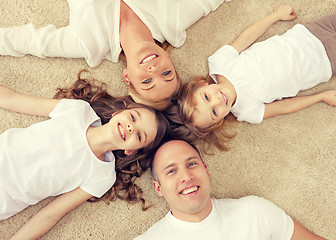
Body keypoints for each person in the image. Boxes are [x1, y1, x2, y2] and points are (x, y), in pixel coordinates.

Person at [0, 72, 171, 239]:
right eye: (133, 118)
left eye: (139, 136)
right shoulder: (78, 111)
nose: (131, 128)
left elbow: (51, 214)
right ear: (118, 113)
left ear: (131, 151)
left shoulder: (103, 176)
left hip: (6, 197)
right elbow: (13, 100)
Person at [0, 0, 230, 109]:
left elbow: (28, 42)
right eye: (167, 73)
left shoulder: (89, 44)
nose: (155, 70)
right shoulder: (174, 22)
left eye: (147, 81)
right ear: (169, 59)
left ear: (127, 77)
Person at [168, 4, 336, 149]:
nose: (217, 100)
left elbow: (247, 37)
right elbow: (285, 106)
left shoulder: (219, 64)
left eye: (206, 97)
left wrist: (276, 15)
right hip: (324, 64)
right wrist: (321, 96)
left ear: (202, 85)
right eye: (214, 111)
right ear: (219, 121)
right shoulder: (246, 111)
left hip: (307, 34)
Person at [134, 139, 326, 240]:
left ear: (206, 169)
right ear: (158, 188)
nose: (186, 176)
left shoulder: (254, 212)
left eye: (192, 164)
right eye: (171, 171)